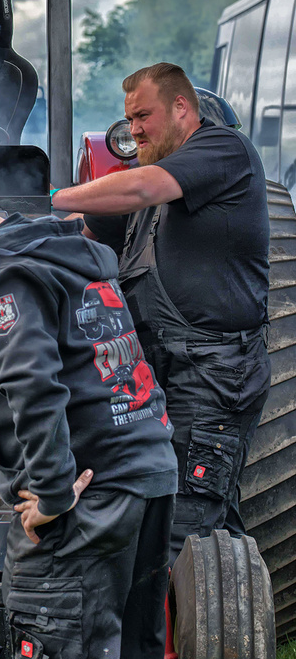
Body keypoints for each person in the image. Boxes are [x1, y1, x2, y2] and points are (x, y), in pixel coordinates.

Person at [0, 170, 177, 659]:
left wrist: (50, 494)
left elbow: (34, 387)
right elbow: (82, 364)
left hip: (87, 492)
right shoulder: (58, 252)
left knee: (51, 631)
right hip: (146, 469)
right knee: (132, 645)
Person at [51, 62, 271, 559]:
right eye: (128, 119)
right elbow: (80, 238)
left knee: (185, 529)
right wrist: (6, 231)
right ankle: (215, 615)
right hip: (153, 375)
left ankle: (192, 630)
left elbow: (142, 187)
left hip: (213, 375)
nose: (133, 130)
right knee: (171, 511)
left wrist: (48, 197)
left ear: (181, 108)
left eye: (143, 116)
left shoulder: (221, 150)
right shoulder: (140, 187)